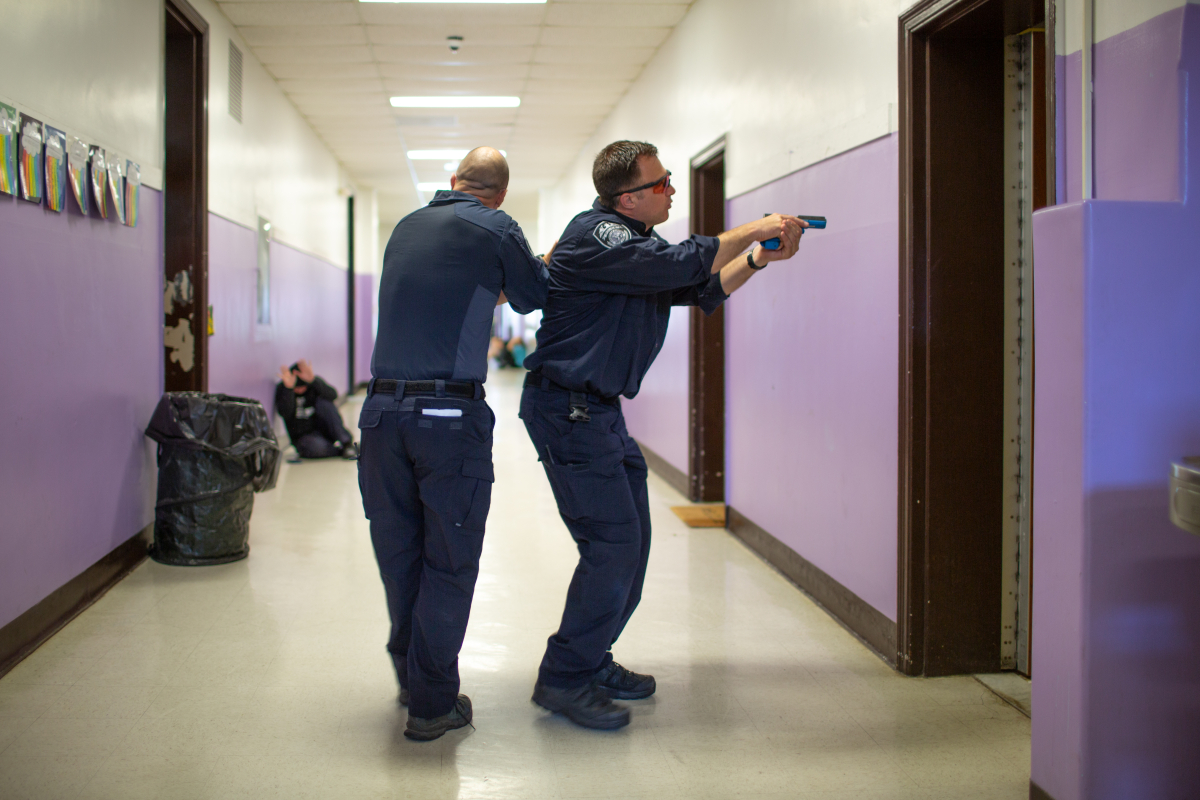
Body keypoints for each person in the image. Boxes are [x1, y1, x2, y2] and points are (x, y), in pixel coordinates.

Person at [520, 140, 804, 730]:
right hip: (567, 411)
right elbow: (680, 266)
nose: (672, 188)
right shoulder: (597, 236)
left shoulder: (637, 245)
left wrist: (756, 260)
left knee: (633, 546)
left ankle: (590, 659)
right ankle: (564, 678)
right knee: (614, 547)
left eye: (671, 178)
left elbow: (698, 288)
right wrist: (755, 228)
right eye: (662, 182)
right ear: (628, 198)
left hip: (597, 413)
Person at [357, 147, 551, 741]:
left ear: (452, 183)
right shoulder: (498, 226)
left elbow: (450, 298)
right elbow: (533, 294)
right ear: (500, 194)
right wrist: (537, 261)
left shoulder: (406, 227)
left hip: (379, 415)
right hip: (447, 417)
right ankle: (433, 703)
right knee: (450, 557)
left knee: (401, 554)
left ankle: (413, 680)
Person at [275, 359, 358, 460]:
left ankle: (346, 444)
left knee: (325, 402)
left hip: (324, 430)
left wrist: (313, 380)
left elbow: (333, 395)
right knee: (317, 448)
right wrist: (288, 389)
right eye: (297, 388)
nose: (300, 390)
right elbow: (285, 413)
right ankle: (343, 451)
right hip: (304, 437)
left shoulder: (313, 383)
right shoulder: (283, 388)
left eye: (303, 387)